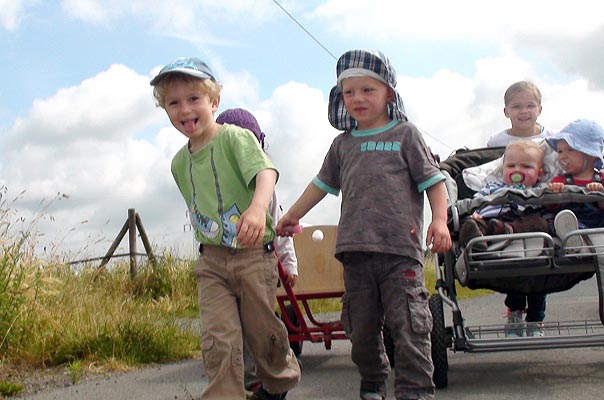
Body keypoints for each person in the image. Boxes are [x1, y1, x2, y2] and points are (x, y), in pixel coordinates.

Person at [276, 49, 451, 400]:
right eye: (349, 92)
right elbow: (320, 185)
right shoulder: (342, 145)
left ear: (389, 93)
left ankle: (415, 391)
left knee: (410, 328)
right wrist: (292, 214)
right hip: (354, 255)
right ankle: (372, 382)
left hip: (400, 252)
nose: (357, 98)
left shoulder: (406, 135)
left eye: (367, 90)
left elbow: (434, 181)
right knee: (360, 328)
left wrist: (441, 221)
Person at [150, 57, 300, 400]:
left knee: (263, 333)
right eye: (174, 103)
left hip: (252, 257)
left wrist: (258, 208)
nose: (185, 109)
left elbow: (266, 173)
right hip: (212, 262)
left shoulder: (235, 138)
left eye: (194, 99)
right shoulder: (179, 163)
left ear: (214, 102)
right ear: (165, 109)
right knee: (219, 337)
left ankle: (277, 384)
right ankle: (225, 394)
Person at [215, 108, 299, 397]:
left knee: (258, 326)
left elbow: (280, 231)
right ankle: (248, 382)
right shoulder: (213, 184)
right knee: (229, 328)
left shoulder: (265, 188)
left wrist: (290, 265)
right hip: (222, 266)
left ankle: (275, 375)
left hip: (259, 262)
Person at [459, 140, 550, 337]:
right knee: (474, 222)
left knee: (541, 224)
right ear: (503, 170)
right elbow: (477, 202)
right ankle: (479, 241)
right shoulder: (493, 187)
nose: (517, 170)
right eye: (511, 166)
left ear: (539, 173)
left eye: (526, 166)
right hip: (495, 224)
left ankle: (535, 319)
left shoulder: (541, 189)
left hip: (526, 228)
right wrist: (476, 213)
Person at [547, 119, 604, 244]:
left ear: (590, 154)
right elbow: (549, 207)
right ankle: (576, 241)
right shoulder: (560, 181)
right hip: (571, 223)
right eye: (560, 151)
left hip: (599, 226)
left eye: (570, 150)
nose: (562, 156)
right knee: (553, 220)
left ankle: (583, 243)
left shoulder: (601, 180)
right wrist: (555, 195)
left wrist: (599, 196)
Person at [486, 81, 554, 147]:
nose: (524, 111)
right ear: (506, 112)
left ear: (539, 110)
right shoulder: (495, 143)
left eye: (530, 106)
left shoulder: (554, 138)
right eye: (516, 106)